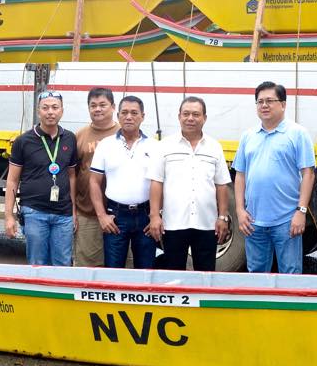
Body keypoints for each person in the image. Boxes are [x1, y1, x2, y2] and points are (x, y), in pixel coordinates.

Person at [234, 81, 315, 274]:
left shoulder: (297, 134)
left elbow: (308, 174)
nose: (264, 105)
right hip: (253, 222)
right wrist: (239, 210)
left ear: (283, 104)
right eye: (260, 101)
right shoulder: (248, 136)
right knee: (256, 275)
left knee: (291, 274)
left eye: (270, 100)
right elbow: (240, 175)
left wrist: (301, 211)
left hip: (287, 221)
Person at [147, 96, 232, 271]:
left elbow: (221, 185)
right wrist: (154, 216)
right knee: (174, 274)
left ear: (204, 118)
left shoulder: (214, 147)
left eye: (196, 114)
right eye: (186, 114)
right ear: (179, 116)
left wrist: (222, 217)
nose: (190, 118)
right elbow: (156, 183)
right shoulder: (165, 146)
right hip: (173, 224)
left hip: (207, 224)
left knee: (206, 275)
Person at [4, 90, 79, 266]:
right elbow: (12, 180)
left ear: (62, 110)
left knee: (63, 264)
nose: (50, 112)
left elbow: (72, 176)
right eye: (45, 108)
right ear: (38, 111)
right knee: (37, 264)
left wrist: (73, 211)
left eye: (55, 107)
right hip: (34, 212)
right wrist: (9, 216)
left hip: (63, 214)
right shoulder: (23, 141)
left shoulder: (69, 138)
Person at [89, 95, 159, 269]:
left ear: (143, 116)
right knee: (113, 270)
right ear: (118, 115)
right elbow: (94, 182)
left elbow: (159, 184)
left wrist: (156, 215)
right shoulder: (106, 145)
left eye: (134, 113)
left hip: (145, 216)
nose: (129, 117)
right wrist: (102, 216)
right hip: (115, 216)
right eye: (125, 112)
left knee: (146, 271)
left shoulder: (154, 146)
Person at [73, 87, 120, 267]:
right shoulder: (80, 135)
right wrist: (74, 211)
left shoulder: (124, 133)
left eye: (102, 105)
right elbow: (73, 175)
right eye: (93, 105)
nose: (97, 109)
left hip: (120, 215)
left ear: (113, 107)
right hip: (88, 213)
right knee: (88, 266)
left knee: (123, 268)